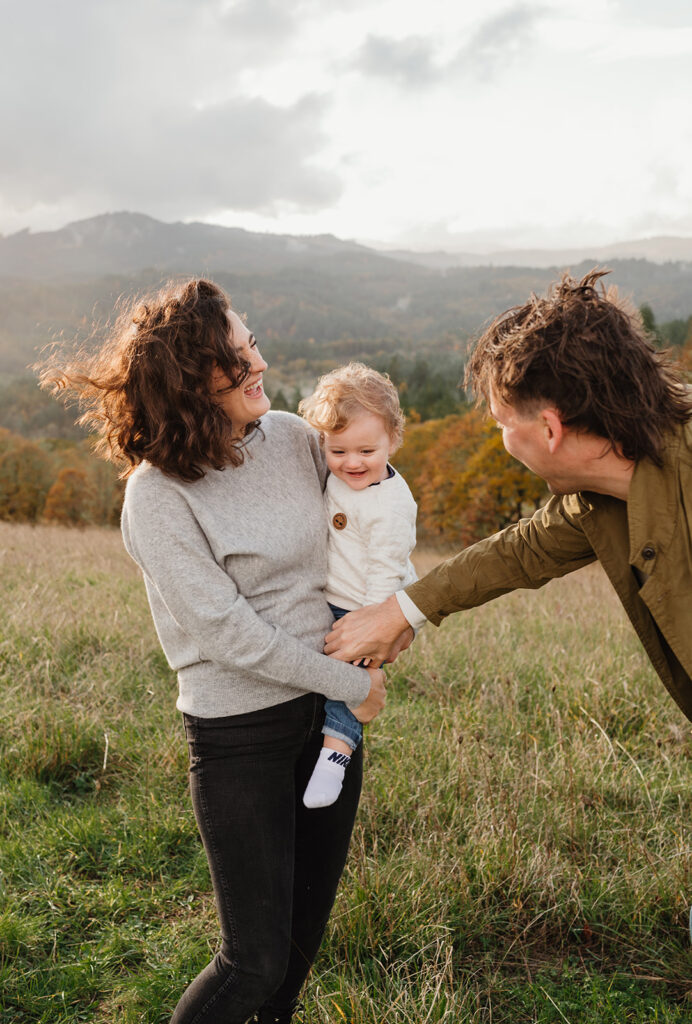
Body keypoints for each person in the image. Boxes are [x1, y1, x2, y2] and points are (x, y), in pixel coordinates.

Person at [41, 279, 386, 1024]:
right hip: (241, 738)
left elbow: (371, 500)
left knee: (293, 958)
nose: (258, 361)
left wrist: (396, 615)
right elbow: (224, 630)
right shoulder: (157, 494)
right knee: (252, 959)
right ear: (192, 381)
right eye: (236, 357)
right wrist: (345, 679)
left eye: (251, 341)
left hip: (325, 719)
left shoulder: (294, 436)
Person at [324, 268, 692, 728]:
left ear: (550, 430)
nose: (500, 437)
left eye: (501, 422)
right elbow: (521, 551)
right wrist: (399, 611)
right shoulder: (595, 495)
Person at [297, 363, 417, 808]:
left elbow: (386, 574)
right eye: (338, 451)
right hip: (337, 595)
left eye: (367, 450)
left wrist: (374, 628)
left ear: (393, 441)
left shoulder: (389, 507)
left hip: (368, 606)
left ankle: (336, 755)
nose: (352, 463)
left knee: (352, 683)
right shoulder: (344, 473)